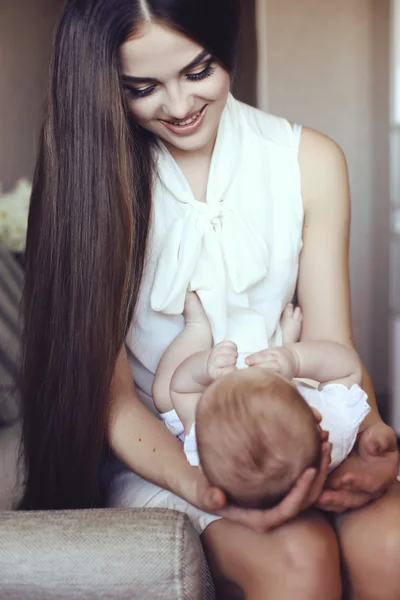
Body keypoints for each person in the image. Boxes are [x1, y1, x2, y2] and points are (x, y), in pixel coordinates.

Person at [20, 0, 400, 598]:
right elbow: (115, 409)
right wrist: (207, 488)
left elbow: (335, 351)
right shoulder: (87, 185)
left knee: (391, 546)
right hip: (167, 451)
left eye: (198, 72)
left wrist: (372, 433)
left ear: (226, 45)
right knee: (298, 558)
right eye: (143, 88)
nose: (177, 107)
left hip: (293, 428)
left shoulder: (311, 161)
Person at [153, 293, 370, 509]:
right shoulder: (333, 434)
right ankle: (283, 344)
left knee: (164, 394)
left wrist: (205, 368)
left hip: (205, 394)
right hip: (291, 377)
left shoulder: (205, 441)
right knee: (307, 380)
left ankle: (197, 328)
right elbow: (348, 368)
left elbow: (182, 390)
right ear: (315, 421)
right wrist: (295, 359)